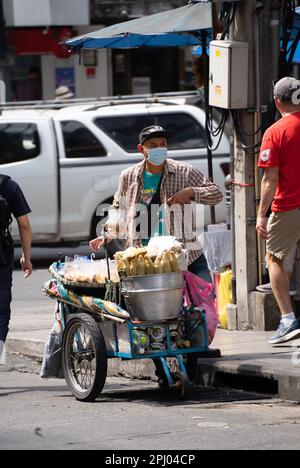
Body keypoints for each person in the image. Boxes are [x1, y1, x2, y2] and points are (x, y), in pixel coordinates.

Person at [90, 125, 223, 283]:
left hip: (185, 256)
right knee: (160, 306)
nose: (159, 149)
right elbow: (119, 209)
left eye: (163, 144)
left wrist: (190, 192)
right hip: (145, 258)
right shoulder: (128, 176)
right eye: (153, 145)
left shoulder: (184, 172)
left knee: (205, 303)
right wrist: (108, 234)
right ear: (141, 149)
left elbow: (216, 194)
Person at [256, 76, 300, 345]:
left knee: (275, 260)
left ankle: (287, 320)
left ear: (277, 101)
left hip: (288, 207)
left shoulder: (275, 131)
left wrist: (261, 214)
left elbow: (270, 179)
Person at [0, 175, 33, 356]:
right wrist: (26, 257)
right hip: (2, 255)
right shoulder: (9, 186)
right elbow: (24, 224)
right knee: (1, 312)